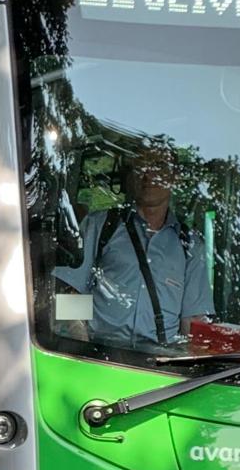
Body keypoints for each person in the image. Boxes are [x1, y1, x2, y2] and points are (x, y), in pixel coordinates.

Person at [54, 144, 212, 349]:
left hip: (160, 366)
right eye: (141, 166)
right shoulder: (101, 225)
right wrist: (82, 348)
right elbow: (71, 290)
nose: (149, 175)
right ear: (132, 174)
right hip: (99, 354)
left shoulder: (189, 245)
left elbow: (192, 322)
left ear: (174, 177)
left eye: (159, 166)